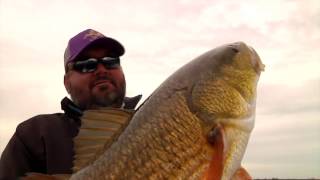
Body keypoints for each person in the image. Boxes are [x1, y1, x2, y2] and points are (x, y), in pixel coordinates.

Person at [0, 29, 142, 179]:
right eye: (86, 64)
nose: (101, 70)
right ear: (66, 82)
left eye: (111, 61)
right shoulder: (34, 135)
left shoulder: (155, 121)